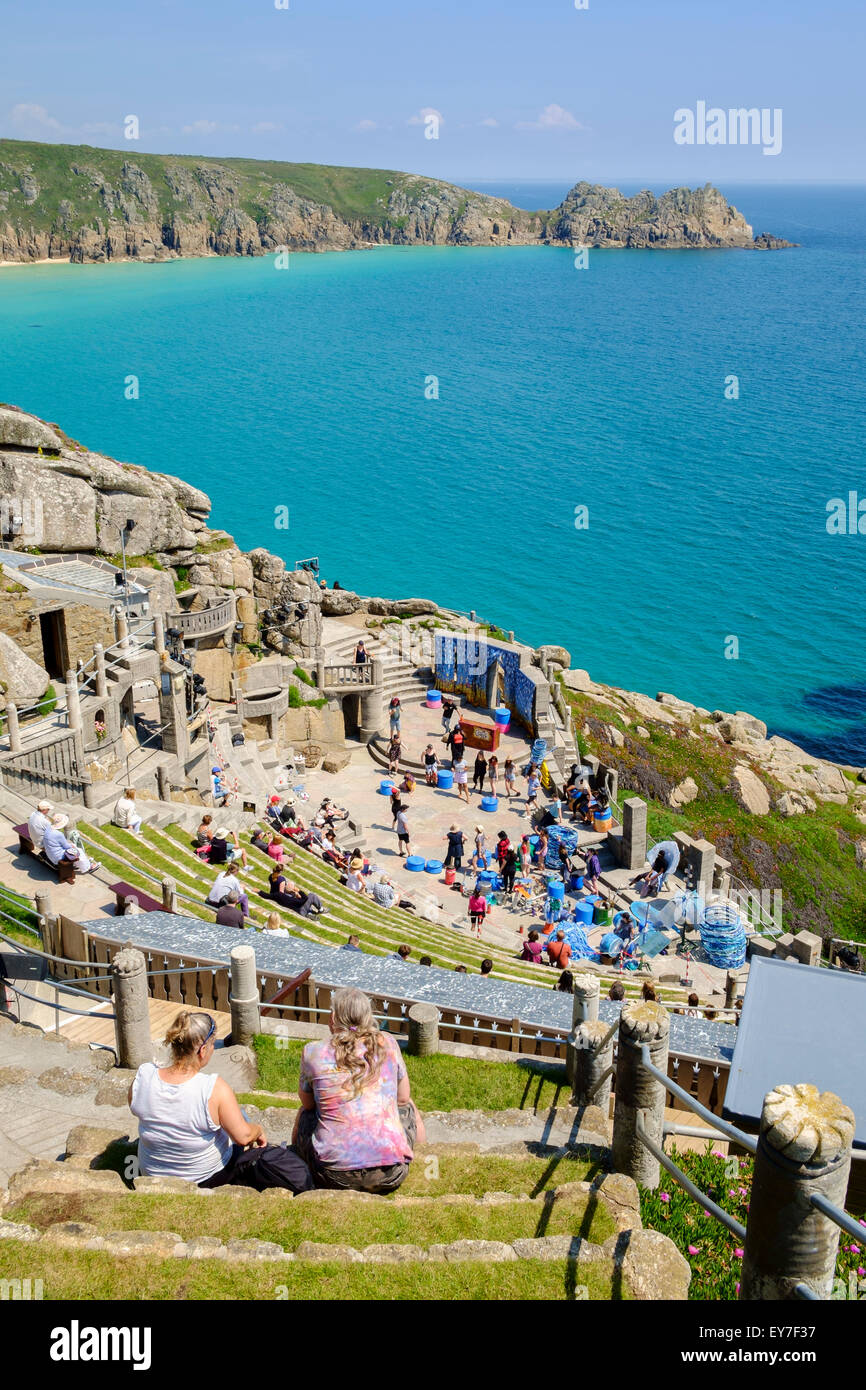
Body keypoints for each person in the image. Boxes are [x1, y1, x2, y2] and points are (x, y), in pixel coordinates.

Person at [130, 1010, 313, 1193]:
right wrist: (258, 1130)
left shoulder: (144, 1076)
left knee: (235, 1113)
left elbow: (139, 1106)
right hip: (205, 1177)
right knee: (240, 1121)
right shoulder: (212, 1088)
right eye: (212, 1046)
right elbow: (243, 1138)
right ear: (202, 1050)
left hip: (151, 1173)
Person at [293, 987, 425, 1194]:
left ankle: (297, 1162)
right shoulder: (388, 1043)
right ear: (368, 1016)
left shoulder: (313, 1051)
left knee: (304, 1113)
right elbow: (403, 1098)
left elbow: (308, 1104)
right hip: (391, 1173)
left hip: (333, 1175)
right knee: (409, 1106)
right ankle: (423, 1153)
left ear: (333, 1017)